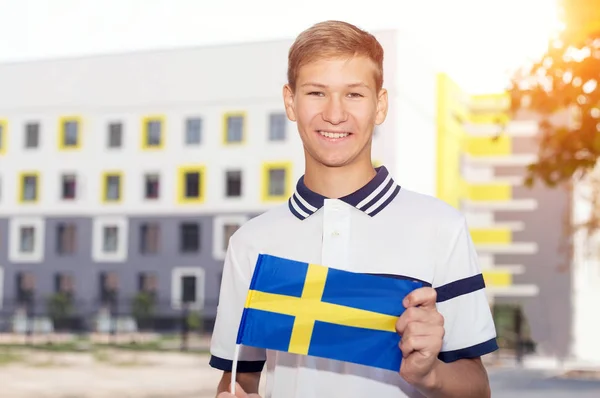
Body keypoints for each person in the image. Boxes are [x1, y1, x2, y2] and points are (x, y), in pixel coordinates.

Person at [209, 20, 498, 398]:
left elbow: (477, 388)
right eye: (316, 92)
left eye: (354, 95)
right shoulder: (250, 242)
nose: (334, 113)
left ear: (380, 106)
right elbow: (238, 379)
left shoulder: (441, 227)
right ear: (289, 101)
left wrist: (431, 375)